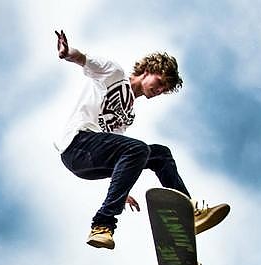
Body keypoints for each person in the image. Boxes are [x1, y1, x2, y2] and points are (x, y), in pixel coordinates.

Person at [54, 30, 229, 250]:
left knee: (159, 154)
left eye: (165, 89)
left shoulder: (128, 115)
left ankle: (188, 213)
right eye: (160, 82)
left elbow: (118, 155)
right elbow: (84, 60)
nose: (160, 90)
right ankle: (102, 224)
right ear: (148, 71)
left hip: (90, 162)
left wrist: (122, 189)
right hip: (76, 145)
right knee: (139, 149)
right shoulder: (113, 73)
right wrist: (67, 53)